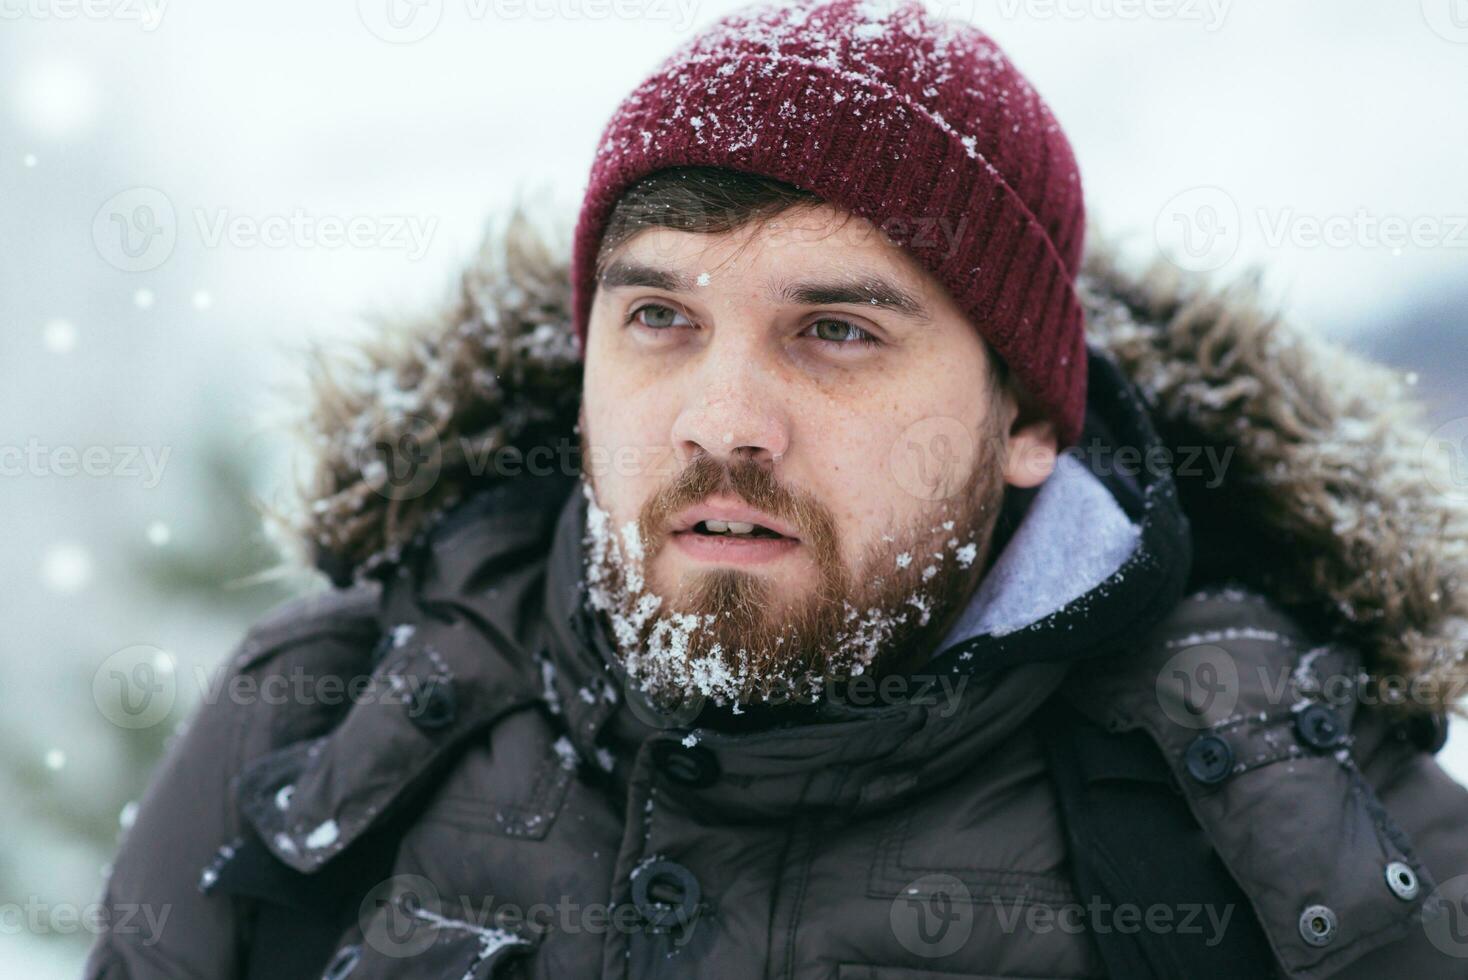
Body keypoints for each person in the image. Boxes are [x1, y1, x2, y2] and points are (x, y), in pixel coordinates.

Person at [86, 0, 1468, 977]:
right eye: (658, 321)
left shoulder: (1300, 812)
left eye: (837, 331)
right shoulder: (333, 726)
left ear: (1031, 420)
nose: (723, 424)